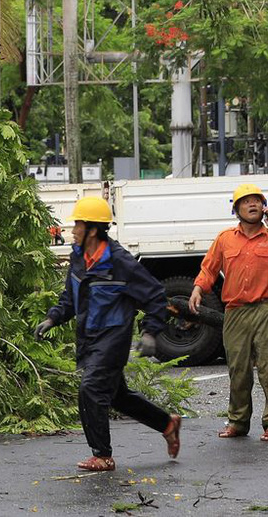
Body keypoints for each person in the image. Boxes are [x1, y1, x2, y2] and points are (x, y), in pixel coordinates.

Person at [36, 195, 181, 472]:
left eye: (78, 224)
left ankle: (102, 455)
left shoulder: (120, 262)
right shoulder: (78, 258)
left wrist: (150, 333)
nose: (73, 230)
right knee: (117, 396)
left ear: (92, 229)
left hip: (113, 338)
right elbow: (70, 298)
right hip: (88, 338)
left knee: (91, 388)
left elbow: (156, 296)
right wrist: (52, 318)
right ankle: (167, 423)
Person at [191, 181, 268, 441]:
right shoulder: (225, 239)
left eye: (256, 200)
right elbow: (209, 268)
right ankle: (238, 422)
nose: (252, 204)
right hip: (235, 312)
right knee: (238, 369)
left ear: (264, 207)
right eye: (246, 201)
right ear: (237, 210)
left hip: (266, 310)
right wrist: (199, 288)